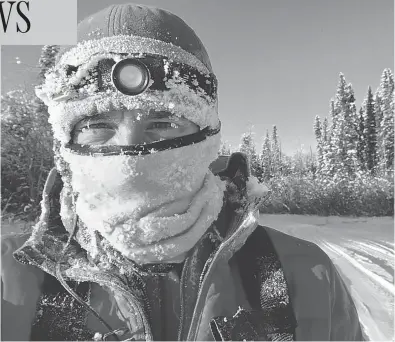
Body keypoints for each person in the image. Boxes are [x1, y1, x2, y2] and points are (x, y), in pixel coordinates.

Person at [1, 3, 364, 341]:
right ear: (68, 142)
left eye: (164, 122)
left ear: (207, 136)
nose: (130, 153)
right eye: (98, 124)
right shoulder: (9, 277)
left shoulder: (305, 274)